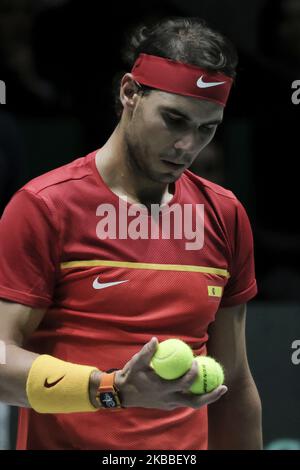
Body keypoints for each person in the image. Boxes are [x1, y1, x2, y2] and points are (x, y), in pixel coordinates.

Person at [0, 17, 262, 450]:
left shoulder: (224, 214)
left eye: (207, 128)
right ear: (129, 93)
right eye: (174, 120)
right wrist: (113, 388)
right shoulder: (44, 207)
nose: (187, 146)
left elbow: (233, 380)